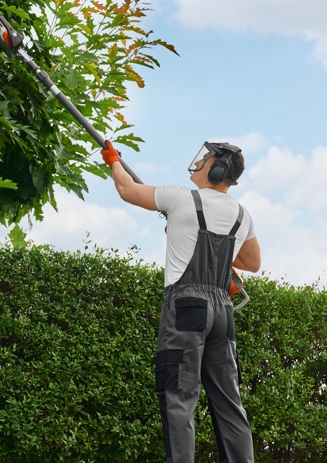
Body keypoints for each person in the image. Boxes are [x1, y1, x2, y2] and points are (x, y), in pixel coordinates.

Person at [101, 140, 260, 463]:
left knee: (179, 397)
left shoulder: (179, 198)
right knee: (229, 403)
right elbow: (252, 262)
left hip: (186, 306)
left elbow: (128, 190)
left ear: (217, 169)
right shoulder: (242, 216)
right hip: (222, 314)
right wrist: (222, 261)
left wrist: (114, 160)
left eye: (206, 159)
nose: (199, 162)